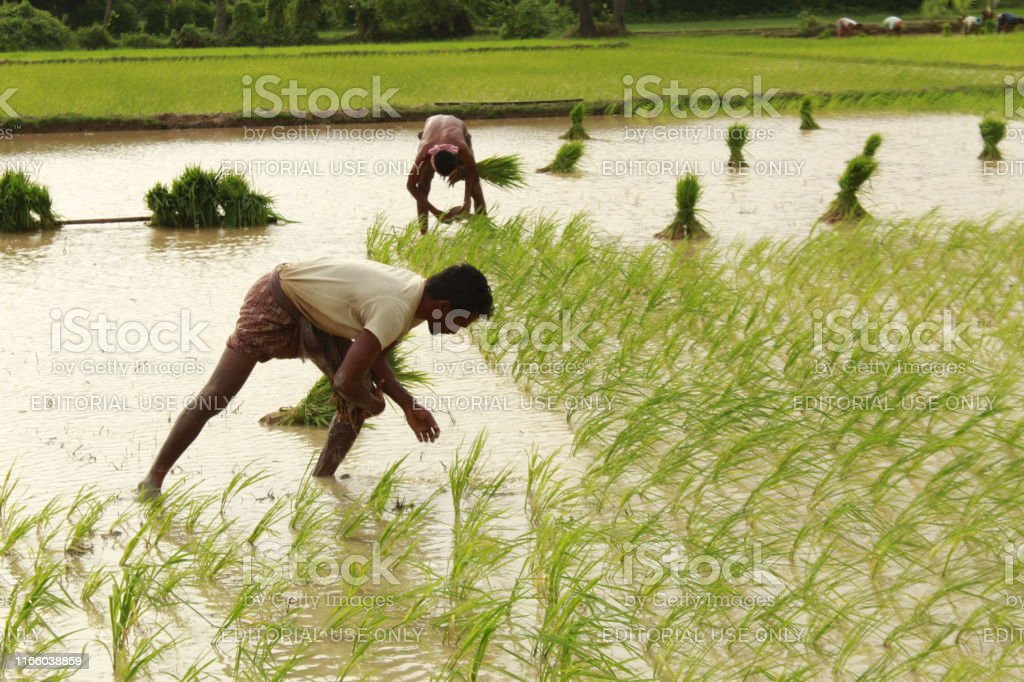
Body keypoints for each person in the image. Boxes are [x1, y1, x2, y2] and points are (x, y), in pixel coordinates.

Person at [137, 259, 493, 497]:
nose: (458, 330)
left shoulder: (415, 302)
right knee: (219, 393)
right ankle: (153, 479)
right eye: (463, 322)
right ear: (444, 308)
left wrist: (407, 405)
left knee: (357, 399)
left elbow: (375, 358)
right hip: (277, 300)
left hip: (320, 318)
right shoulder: (397, 306)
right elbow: (345, 381)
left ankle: (324, 481)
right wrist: (375, 405)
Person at [407, 114, 485, 234]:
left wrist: (466, 201)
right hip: (431, 132)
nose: (444, 179)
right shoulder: (424, 154)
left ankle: (483, 230)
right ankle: (424, 233)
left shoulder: (462, 147)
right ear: (432, 164)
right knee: (423, 185)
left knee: (475, 185)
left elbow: (472, 170)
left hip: (457, 130)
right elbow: (411, 186)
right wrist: (435, 212)